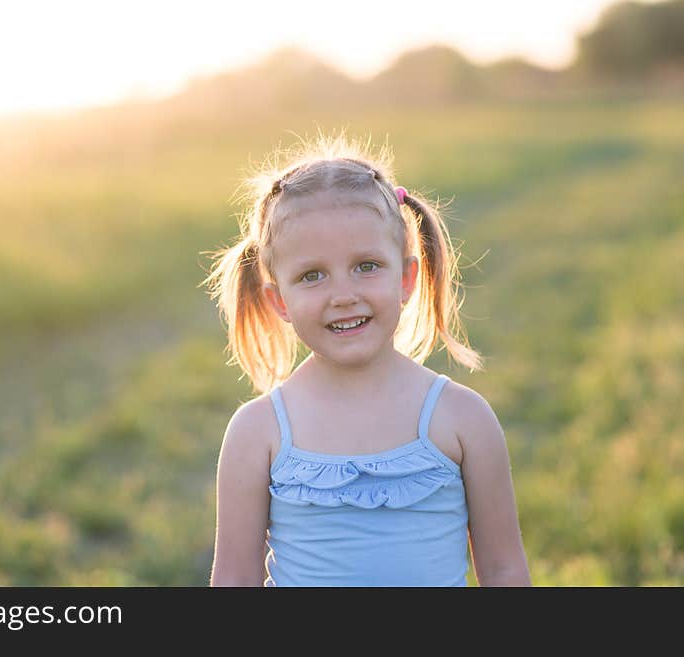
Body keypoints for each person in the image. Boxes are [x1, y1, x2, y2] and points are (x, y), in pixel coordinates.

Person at [202, 131, 531, 587]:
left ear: (407, 277)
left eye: (366, 266)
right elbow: (234, 581)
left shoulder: (462, 419)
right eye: (312, 275)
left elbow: (504, 570)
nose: (343, 295)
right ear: (280, 302)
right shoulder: (259, 431)